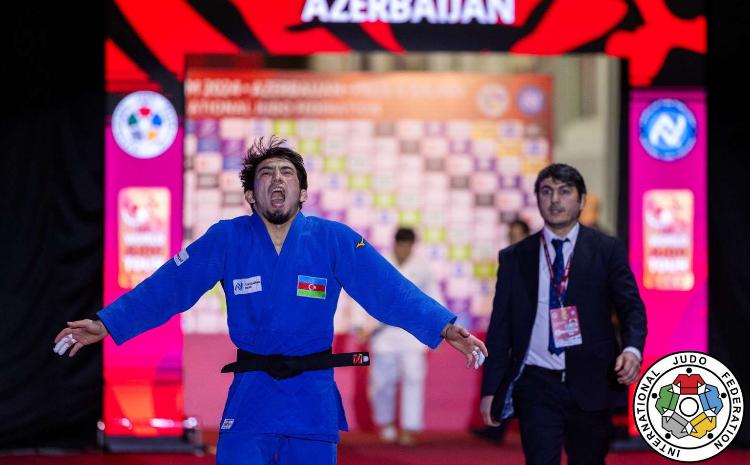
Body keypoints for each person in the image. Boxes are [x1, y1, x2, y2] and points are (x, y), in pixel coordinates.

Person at [54, 136, 488, 465]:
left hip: (311, 398)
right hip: (252, 395)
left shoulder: (334, 240)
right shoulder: (226, 239)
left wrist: (444, 326)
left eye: (287, 173)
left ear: (303, 193)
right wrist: (107, 322)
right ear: (250, 196)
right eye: (266, 174)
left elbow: (390, 290)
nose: (277, 179)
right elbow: (167, 287)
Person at [480, 163, 647, 465]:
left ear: (581, 201)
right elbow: (500, 328)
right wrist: (490, 389)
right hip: (536, 383)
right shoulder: (516, 257)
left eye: (564, 191)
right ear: (538, 199)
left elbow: (631, 307)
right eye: (546, 191)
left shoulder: (606, 249)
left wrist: (632, 350)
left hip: (592, 381)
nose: (555, 199)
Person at [357, 227, 441, 446]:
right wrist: (361, 326)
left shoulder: (423, 268)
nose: (404, 249)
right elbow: (365, 294)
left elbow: (434, 299)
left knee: (414, 378)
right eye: (401, 245)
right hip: (383, 333)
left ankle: (409, 428)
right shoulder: (380, 263)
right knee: (383, 382)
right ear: (395, 243)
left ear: (413, 245)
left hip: (413, 333)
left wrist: (439, 329)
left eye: (408, 245)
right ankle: (385, 424)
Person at [470, 218, 530, 443]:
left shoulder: (538, 260)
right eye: (511, 235)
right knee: (503, 373)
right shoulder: (508, 259)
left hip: (531, 331)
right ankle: (497, 425)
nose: (514, 239)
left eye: (518, 235)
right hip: (509, 327)